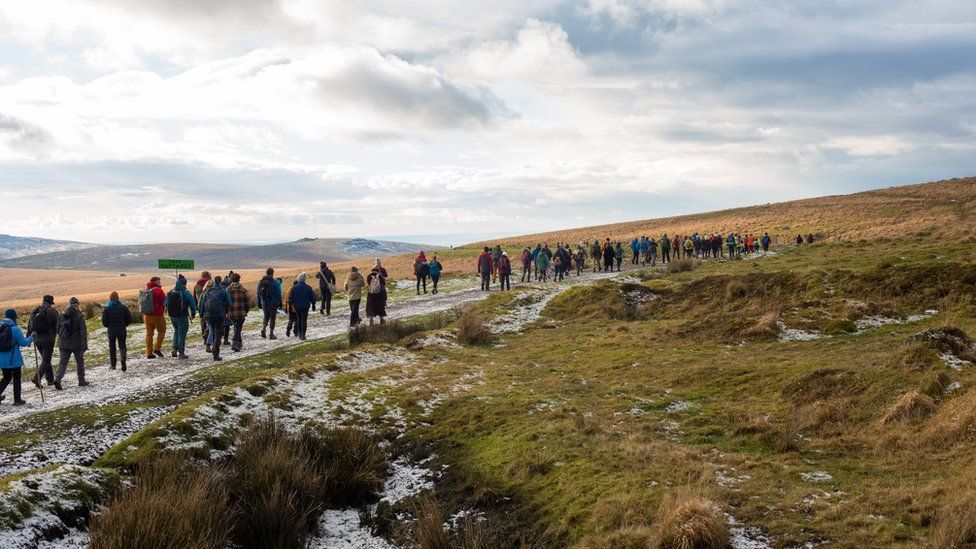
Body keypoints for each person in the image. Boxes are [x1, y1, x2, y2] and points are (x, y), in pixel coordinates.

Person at [0, 308, 33, 405]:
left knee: (6, 377)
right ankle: (17, 399)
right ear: (14, 317)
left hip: (2, 358)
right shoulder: (15, 328)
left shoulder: (1, 326)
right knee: (17, 378)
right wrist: (32, 337)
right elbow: (23, 343)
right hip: (13, 359)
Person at [55, 297, 88, 389]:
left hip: (63, 343)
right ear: (77, 305)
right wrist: (84, 344)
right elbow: (83, 331)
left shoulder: (62, 315)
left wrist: (63, 337)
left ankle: (57, 378)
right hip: (76, 343)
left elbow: (57, 329)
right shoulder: (79, 315)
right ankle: (81, 380)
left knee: (63, 363)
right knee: (80, 362)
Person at [27, 295, 59, 388]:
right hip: (48, 339)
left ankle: (50, 380)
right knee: (46, 360)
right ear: (51, 302)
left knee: (45, 360)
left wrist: (28, 338)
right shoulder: (52, 311)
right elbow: (57, 325)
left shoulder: (35, 310)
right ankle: (37, 378)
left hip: (37, 339)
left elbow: (30, 325)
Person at [199, 276, 231, 360]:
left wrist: (201, 314)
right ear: (220, 282)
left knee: (213, 332)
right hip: (220, 315)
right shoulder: (224, 291)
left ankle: (214, 350)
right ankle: (215, 353)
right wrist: (225, 310)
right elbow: (229, 303)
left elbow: (202, 304)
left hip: (209, 315)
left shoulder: (208, 291)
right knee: (218, 334)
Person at [165, 276, 197, 359]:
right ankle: (181, 353)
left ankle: (174, 349)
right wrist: (193, 315)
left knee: (176, 331)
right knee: (182, 334)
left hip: (172, 316)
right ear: (184, 284)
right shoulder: (186, 293)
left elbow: (165, 303)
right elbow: (192, 305)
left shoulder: (171, 291)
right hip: (182, 316)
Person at [102, 291, 133, 370]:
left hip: (112, 330)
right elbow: (129, 318)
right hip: (122, 329)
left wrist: (109, 326)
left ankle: (113, 364)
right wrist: (124, 324)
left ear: (110, 298)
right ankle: (123, 359)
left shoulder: (107, 308)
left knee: (112, 347)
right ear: (118, 298)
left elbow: (104, 321)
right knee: (122, 345)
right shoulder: (123, 307)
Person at [225, 273, 251, 352]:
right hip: (241, 312)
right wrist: (246, 310)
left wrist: (226, 312)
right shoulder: (243, 290)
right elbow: (247, 302)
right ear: (239, 279)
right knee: (238, 328)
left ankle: (239, 342)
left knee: (237, 327)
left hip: (231, 313)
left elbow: (225, 302)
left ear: (231, 280)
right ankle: (235, 343)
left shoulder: (227, 290)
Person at [142, 277, 167, 359]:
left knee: (149, 334)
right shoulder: (158, 290)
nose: (160, 283)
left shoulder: (146, 289)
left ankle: (149, 353)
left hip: (146, 315)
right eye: (159, 281)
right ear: (156, 282)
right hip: (157, 315)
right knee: (162, 331)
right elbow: (165, 301)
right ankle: (157, 348)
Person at [288, 273, 316, 340]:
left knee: (299, 319)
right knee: (304, 320)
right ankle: (303, 334)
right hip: (305, 306)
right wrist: (313, 305)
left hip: (297, 307)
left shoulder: (294, 288)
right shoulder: (308, 288)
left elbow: (290, 298)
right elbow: (312, 297)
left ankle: (300, 334)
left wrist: (290, 306)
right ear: (304, 280)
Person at [257, 268, 282, 339]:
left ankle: (264, 329)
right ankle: (271, 333)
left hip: (264, 302)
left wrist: (259, 302)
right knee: (272, 318)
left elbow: (258, 293)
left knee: (266, 316)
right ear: (272, 273)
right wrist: (280, 303)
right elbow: (278, 294)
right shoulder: (275, 282)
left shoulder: (260, 282)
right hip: (273, 303)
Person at [365, 260, 388, 325]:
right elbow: (383, 283)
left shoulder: (369, 276)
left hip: (371, 294)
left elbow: (368, 283)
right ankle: (381, 319)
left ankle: (371, 319)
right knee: (380, 306)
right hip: (380, 294)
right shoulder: (380, 276)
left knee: (371, 307)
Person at [193, 271, 212, 341]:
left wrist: (197, 306)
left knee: (203, 322)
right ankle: (208, 336)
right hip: (210, 306)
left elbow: (195, 297)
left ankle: (204, 337)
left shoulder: (197, 285)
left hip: (201, 306)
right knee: (211, 322)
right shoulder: (211, 283)